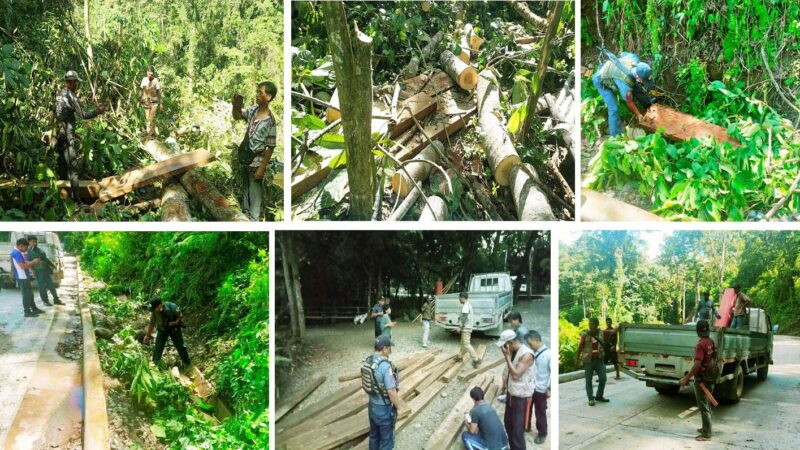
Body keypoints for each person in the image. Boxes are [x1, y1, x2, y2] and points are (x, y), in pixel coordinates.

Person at [54, 70, 106, 205]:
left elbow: (61, 115)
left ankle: (61, 198)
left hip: (60, 134)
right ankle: (77, 201)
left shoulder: (59, 94)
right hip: (67, 136)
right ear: (71, 82)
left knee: (62, 164)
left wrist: (72, 131)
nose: (77, 85)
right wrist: (98, 111)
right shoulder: (71, 96)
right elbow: (83, 115)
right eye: (76, 82)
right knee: (74, 169)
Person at [232, 81, 279, 220]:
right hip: (246, 156)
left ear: (268, 97)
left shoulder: (270, 120)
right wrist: (236, 106)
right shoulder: (253, 110)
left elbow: (270, 146)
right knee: (246, 187)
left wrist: (262, 167)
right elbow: (238, 116)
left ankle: (254, 219)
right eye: (257, 92)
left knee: (255, 190)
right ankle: (246, 214)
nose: (257, 95)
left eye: (260, 93)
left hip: (257, 160)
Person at [592, 50, 653, 136]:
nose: (644, 82)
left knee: (637, 87)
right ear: (638, 77)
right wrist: (638, 114)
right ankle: (616, 137)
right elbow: (629, 101)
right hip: (600, 80)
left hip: (616, 72)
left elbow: (623, 53)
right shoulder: (626, 85)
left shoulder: (634, 59)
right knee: (613, 109)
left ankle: (649, 105)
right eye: (643, 81)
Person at [678, 320, 718, 441]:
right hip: (710, 376)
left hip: (702, 379)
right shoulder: (711, 342)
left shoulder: (700, 345)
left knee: (703, 406)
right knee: (707, 404)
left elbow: (697, 364)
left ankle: (706, 434)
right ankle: (706, 427)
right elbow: (715, 356)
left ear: (697, 331)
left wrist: (686, 378)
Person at [363, 335, 403, 450]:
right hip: (383, 409)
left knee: (374, 436)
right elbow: (391, 391)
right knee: (386, 441)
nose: (390, 350)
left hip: (372, 406)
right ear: (384, 348)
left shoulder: (368, 360)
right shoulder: (385, 366)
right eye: (390, 347)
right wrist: (398, 407)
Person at [497, 329, 534, 450]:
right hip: (512, 395)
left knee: (518, 431)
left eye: (504, 345)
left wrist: (507, 357)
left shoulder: (527, 354)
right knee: (508, 425)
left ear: (510, 343)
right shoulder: (513, 351)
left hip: (521, 398)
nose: (503, 348)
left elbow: (516, 375)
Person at [143, 297, 191, 367]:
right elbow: (152, 323)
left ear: (159, 306)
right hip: (162, 330)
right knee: (158, 347)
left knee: (181, 347)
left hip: (174, 329)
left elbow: (180, 315)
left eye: (154, 309)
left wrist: (175, 322)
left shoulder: (172, 307)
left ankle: (187, 363)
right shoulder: (154, 312)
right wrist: (147, 335)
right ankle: (155, 365)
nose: (153, 311)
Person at [525, 330, 550, 444]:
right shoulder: (532, 353)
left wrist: (549, 389)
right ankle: (526, 426)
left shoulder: (548, 354)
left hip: (541, 389)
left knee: (540, 412)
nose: (529, 346)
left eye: (530, 343)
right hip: (531, 387)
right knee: (527, 408)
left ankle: (542, 433)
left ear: (536, 340)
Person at [10, 238, 45, 317]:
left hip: (24, 276)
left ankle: (34, 309)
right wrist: (33, 262)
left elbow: (22, 263)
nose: (26, 249)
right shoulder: (16, 253)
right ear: (20, 246)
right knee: (26, 295)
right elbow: (22, 266)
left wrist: (29, 263)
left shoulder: (18, 252)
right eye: (25, 247)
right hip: (22, 277)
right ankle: (27, 312)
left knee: (30, 294)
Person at [577, 318, 608, 406]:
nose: (591, 326)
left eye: (593, 324)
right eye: (590, 324)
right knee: (588, 380)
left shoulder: (601, 333)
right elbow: (580, 347)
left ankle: (599, 396)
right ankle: (591, 398)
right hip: (588, 361)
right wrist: (577, 359)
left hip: (599, 360)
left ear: (597, 324)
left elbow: (611, 334)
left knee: (603, 378)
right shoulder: (585, 335)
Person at [26, 236, 64, 306]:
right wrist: (33, 272)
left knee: (51, 285)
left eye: (35, 241)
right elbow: (28, 263)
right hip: (38, 271)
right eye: (33, 242)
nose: (35, 243)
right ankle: (45, 301)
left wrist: (53, 265)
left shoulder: (40, 250)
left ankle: (56, 299)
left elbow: (45, 259)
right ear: (29, 242)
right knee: (42, 287)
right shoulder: (28, 252)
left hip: (45, 270)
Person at [459, 292, 482, 368]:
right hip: (467, 327)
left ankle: (476, 359)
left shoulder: (465, 306)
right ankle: (459, 356)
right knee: (463, 343)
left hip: (466, 328)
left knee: (466, 344)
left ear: (462, 297)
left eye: (459, 298)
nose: (459, 300)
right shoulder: (468, 305)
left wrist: (461, 326)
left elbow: (464, 317)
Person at [139, 66, 162, 138]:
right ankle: (149, 132)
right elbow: (141, 90)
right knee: (147, 117)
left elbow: (158, 92)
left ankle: (151, 133)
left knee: (152, 117)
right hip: (146, 101)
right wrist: (138, 100)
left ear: (153, 74)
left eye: (152, 75)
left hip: (154, 102)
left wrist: (161, 103)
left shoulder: (156, 80)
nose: (150, 76)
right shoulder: (144, 80)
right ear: (147, 73)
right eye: (149, 74)